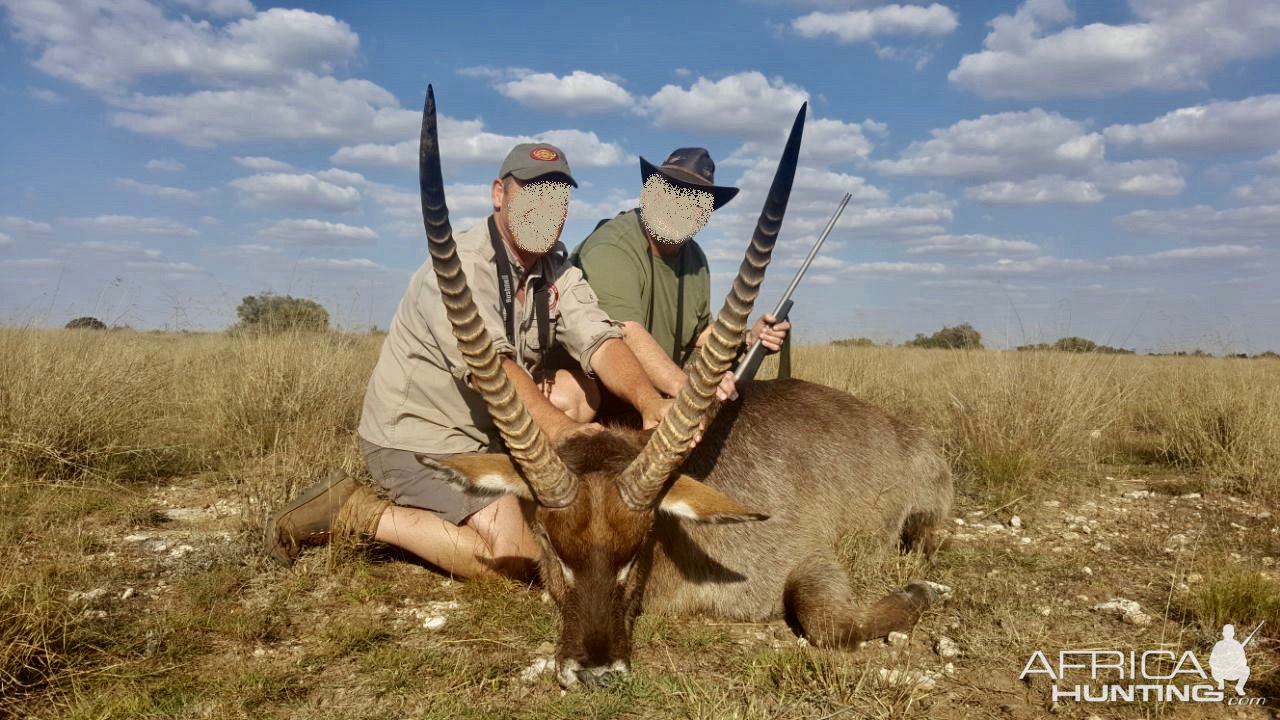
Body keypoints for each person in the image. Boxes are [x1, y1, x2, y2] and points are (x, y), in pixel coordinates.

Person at [266, 142, 672, 579]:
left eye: (557, 198)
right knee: (522, 560)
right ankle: (355, 510)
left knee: (582, 391)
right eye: (533, 194)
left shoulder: (558, 271)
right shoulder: (461, 265)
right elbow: (489, 368)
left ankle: (515, 489)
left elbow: (602, 341)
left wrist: (649, 401)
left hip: (492, 432)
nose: (546, 208)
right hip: (421, 438)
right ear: (499, 194)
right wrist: (562, 431)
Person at [570, 148, 789, 413]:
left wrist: (748, 339)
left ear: (706, 214)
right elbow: (626, 332)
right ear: (648, 193)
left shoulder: (696, 259)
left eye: (694, 199)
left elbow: (698, 334)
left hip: (654, 391)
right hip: (598, 391)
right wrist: (685, 387)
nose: (679, 204)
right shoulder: (611, 246)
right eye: (670, 190)